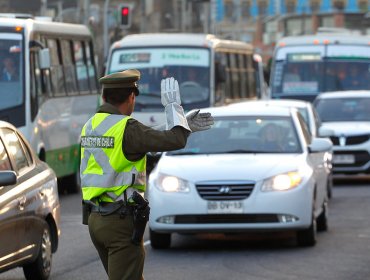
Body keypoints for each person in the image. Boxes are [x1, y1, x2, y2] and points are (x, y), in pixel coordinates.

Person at [80, 69, 214, 280]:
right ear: (131, 97)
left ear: (104, 96)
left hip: (96, 219)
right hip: (119, 220)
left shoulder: (91, 125)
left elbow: (142, 142)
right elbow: (175, 140)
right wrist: (173, 109)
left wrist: (183, 125)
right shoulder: (127, 127)